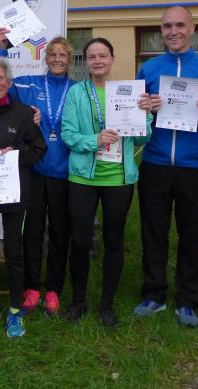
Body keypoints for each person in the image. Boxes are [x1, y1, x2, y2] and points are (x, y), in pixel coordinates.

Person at [133, 6, 198, 328]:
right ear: (161, 31)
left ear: (191, 29)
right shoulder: (149, 69)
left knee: (192, 234)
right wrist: (144, 106)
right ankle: (154, 294)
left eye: (179, 25)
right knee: (153, 232)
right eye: (166, 26)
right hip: (155, 163)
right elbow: (134, 113)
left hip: (194, 166)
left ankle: (187, 299)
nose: (173, 31)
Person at [60, 38, 152, 327]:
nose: (97, 61)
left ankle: (107, 305)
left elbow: (143, 138)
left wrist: (145, 115)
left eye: (102, 55)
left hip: (118, 179)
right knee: (80, 240)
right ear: (85, 62)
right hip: (83, 177)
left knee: (114, 239)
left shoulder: (130, 93)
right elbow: (68, 135)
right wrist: (95, 140)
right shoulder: (76, 93)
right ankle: (78, 301)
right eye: (92, 56)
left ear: (112, 59)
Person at [0, 55, 46, 337]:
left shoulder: (25, 113)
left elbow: (39, 149)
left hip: (15, 195)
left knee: (14, 253)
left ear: (9, 81)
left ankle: (15, 309)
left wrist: (17, 154)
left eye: (0, 78)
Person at [9, 36, 76, 316]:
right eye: (53, 54)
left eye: (63, 55)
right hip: (35, 170)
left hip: (65, 172)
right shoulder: (29, 84)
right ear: (45, 58)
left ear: (69, 60)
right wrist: (24, 115)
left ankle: (53, 289)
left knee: (60, 232)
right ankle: (32, 286)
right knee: (33, 231)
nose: (57, 59)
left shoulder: (77, 90)